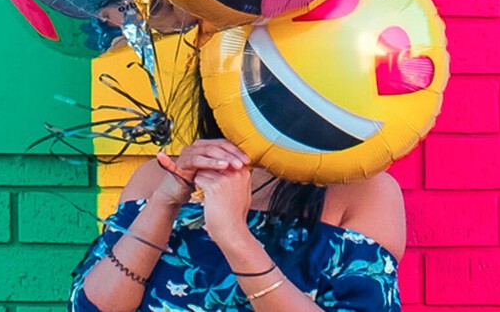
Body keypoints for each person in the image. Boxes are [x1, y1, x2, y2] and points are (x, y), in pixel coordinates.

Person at [68, 97, 406, 311]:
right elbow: (91, 307)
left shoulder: (362, 193)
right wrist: (165, 203)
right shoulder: (158, 177)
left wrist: (233, 235)